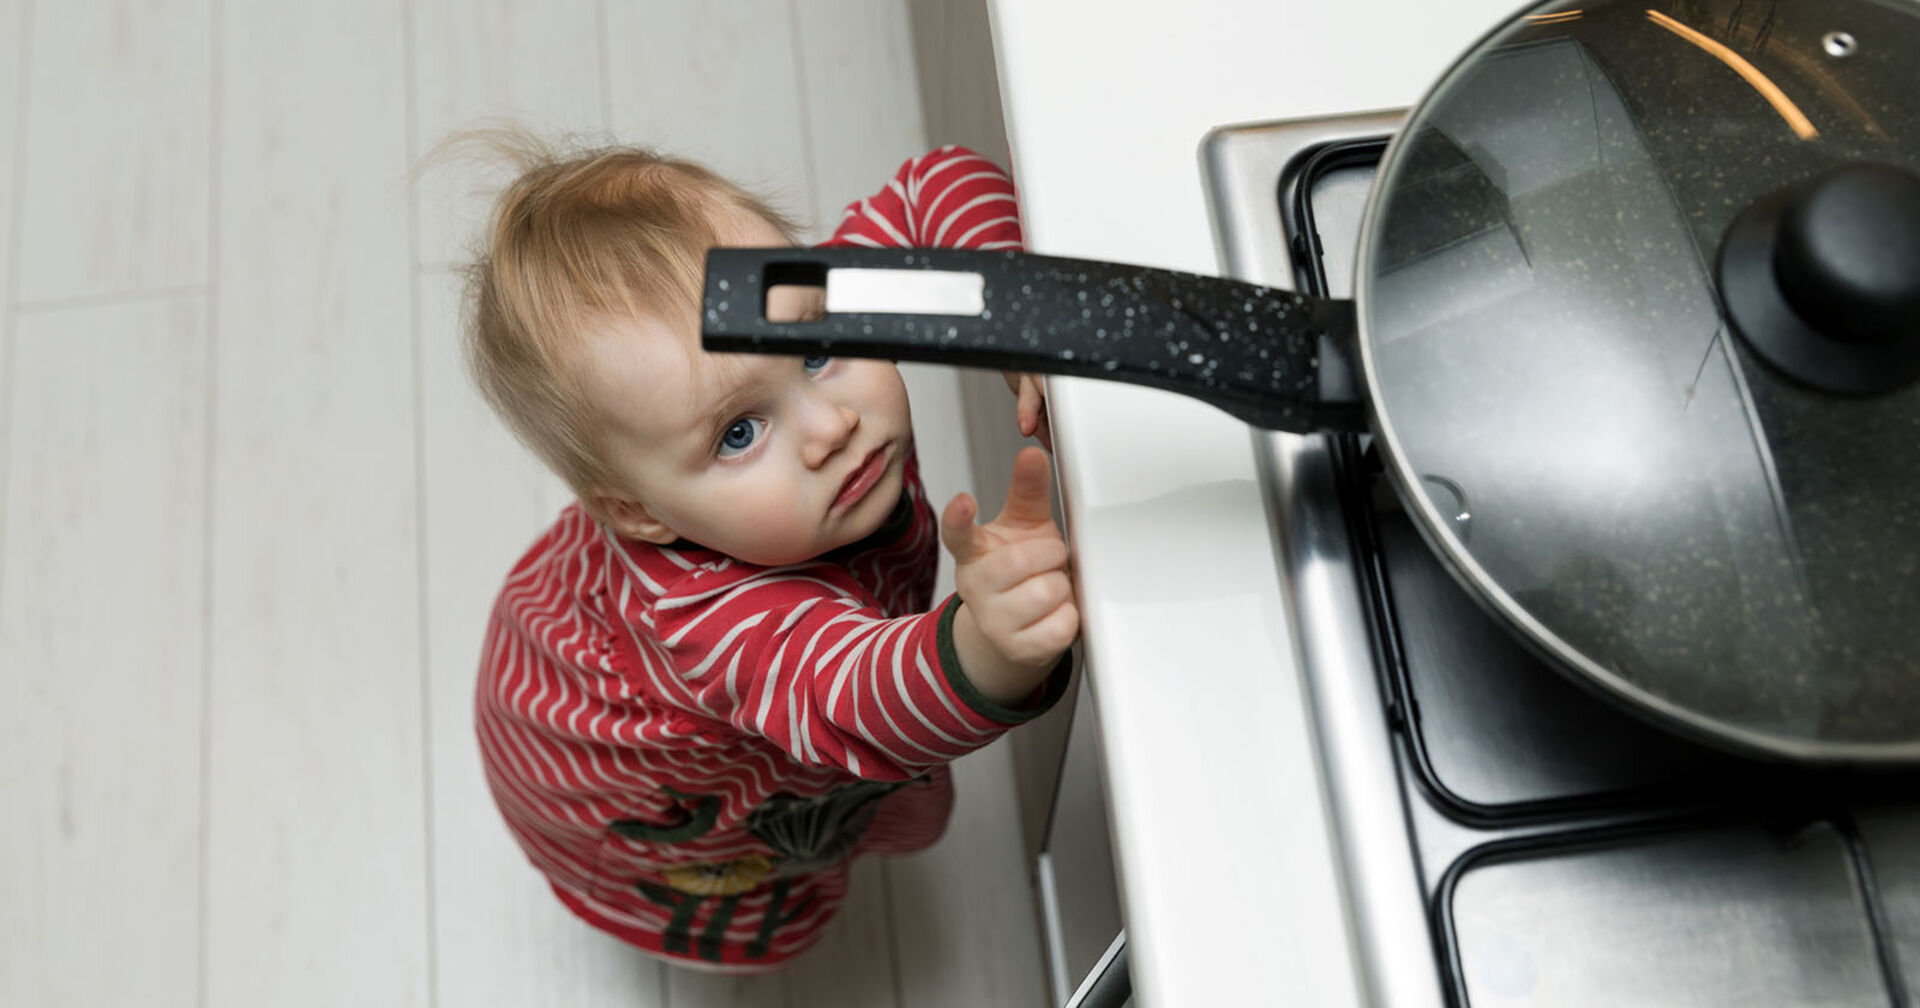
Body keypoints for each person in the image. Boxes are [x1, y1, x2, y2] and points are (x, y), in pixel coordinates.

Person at [461, 136, 1078, 973]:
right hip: (626, 782)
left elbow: (937, 186)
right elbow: (854, 693)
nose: (832, 427)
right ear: (638, 513)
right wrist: (988, 647)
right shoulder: (709, 621)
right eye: (739, 434)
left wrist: (1012, 308)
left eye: (817, 349)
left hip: (574, 621)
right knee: (763, 877)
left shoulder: (784, 306)